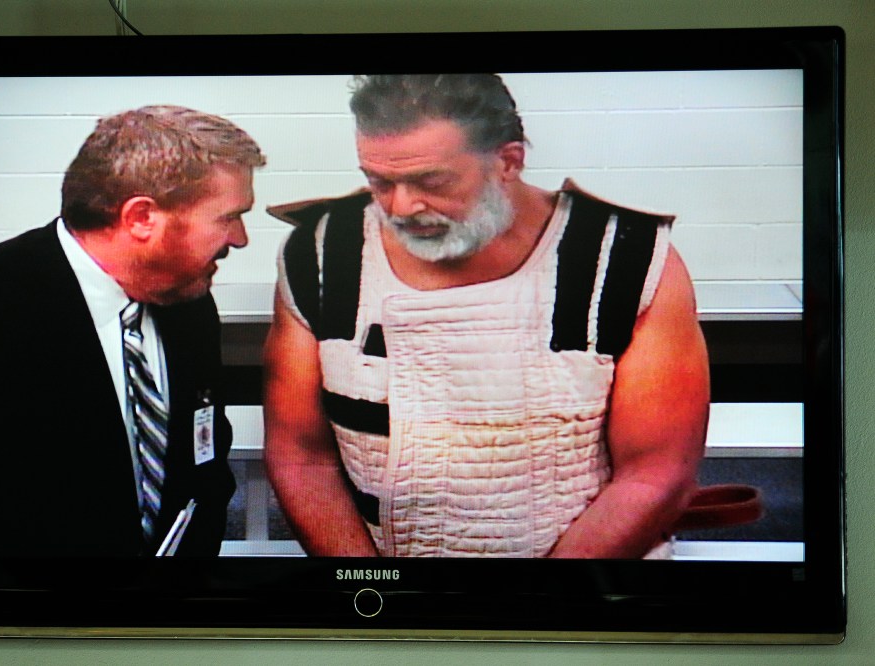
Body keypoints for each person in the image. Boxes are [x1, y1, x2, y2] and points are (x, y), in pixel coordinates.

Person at [263, 75, 709, 559]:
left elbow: (656, 473)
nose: (402, 205)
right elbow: (302, 457)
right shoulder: (323, 253)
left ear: (508, 161)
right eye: (380, 181)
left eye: (432, 181)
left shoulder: (627, 256)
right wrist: (375, 592)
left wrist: (533, 610)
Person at [0, 105, 265, 557]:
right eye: (228, 216)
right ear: (140, 218)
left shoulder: (189, 305)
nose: (240, 238)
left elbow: (204, 465)